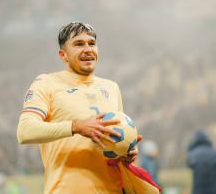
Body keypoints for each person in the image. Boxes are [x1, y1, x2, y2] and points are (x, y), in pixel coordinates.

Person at [17, 22, 145, 194]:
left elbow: (113, 141)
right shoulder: (46, 83)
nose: (87, 49)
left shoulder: (111, 87)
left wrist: (126, 152)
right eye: (78, 44)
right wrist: (75, 126)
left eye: (91, 43)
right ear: (63, 55)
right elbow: (25, 131)